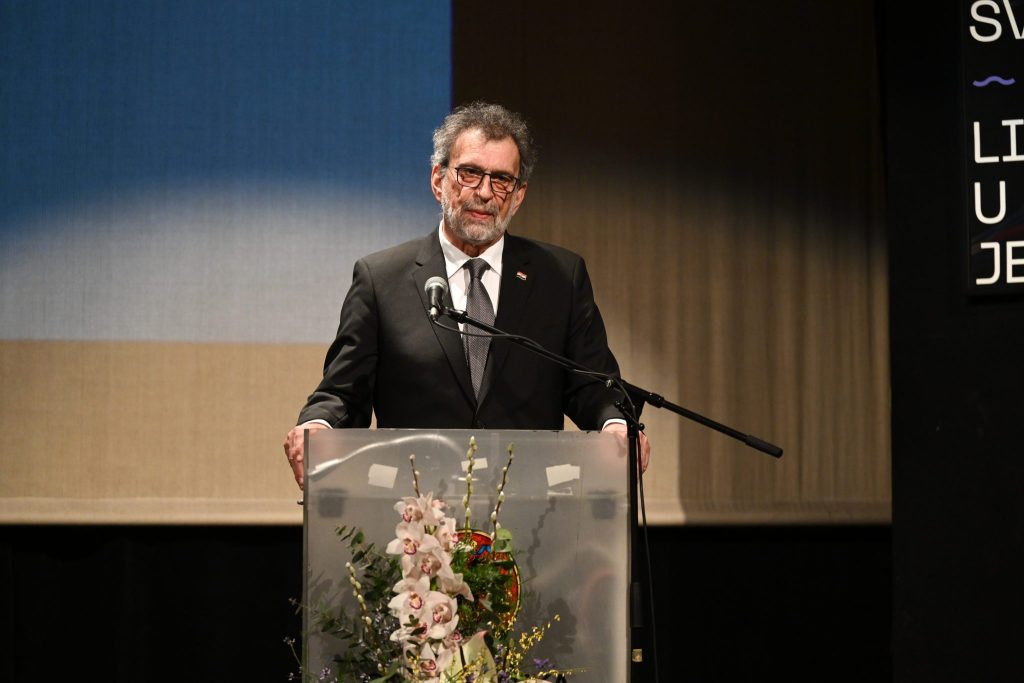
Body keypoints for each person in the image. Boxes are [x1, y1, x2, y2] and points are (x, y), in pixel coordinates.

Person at [283, 102, 650, 489]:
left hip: (529, 506)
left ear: (519, 195)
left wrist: (615, 424)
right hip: (417, 506)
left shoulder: (560, 277)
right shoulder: (381, 279)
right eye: (470, 173)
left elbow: (595, 385)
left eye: (502, 179)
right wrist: (316, 426)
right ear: (438, 180)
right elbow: (344, 393)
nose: (485, 193)